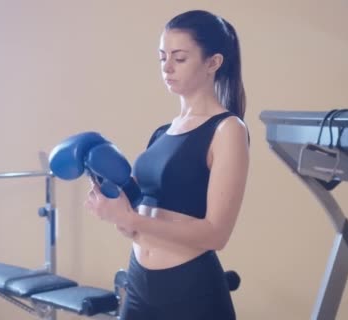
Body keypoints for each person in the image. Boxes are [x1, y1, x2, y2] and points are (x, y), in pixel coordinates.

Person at [84, 9, 249, 320]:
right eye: (162, 57)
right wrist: (113, 208)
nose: (167, 67)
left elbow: (216, 235)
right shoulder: (163, 132)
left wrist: (132, 221)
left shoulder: (228, 130)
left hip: (190, 291)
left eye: (180, 58)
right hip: (139, 284)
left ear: (212, 63)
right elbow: (137, 219)